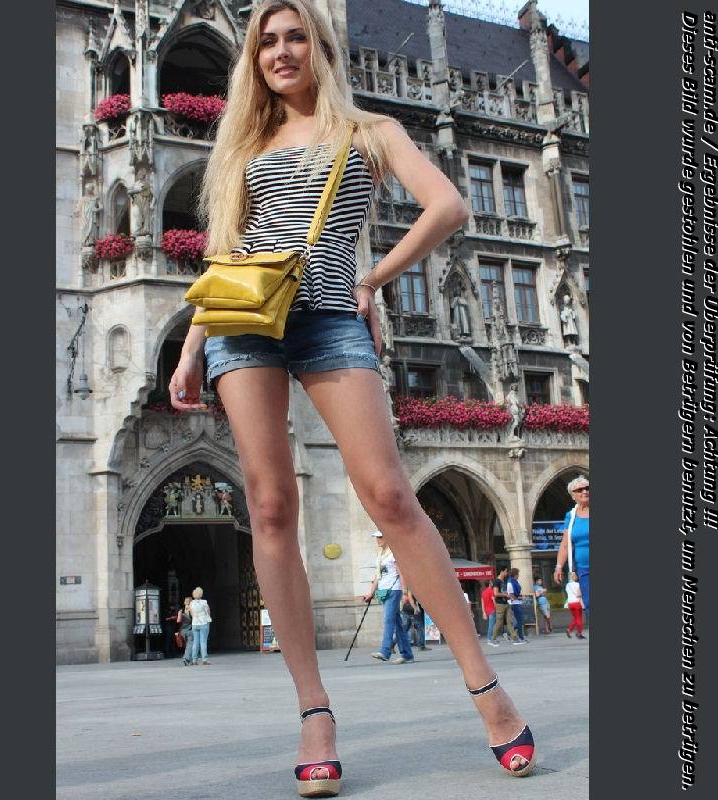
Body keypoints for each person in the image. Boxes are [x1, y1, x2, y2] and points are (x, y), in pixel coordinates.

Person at [168, 2, 535, 793]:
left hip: (331, 319)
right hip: (242, 327)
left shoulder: (370, 131)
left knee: (392, 497)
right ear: (254, 58)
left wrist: (371, 279)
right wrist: (194, 344)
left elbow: (448, 206)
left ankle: (487, 690)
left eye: (295, 36)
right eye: (267, 41)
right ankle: (314, 712)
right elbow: (227, 251)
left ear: (322, 48)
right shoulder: (242, 144)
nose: (281, 51)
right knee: (270, 506)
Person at [364, 531, 414, 665]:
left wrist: (405, 592)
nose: (378, 540)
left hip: (394, 590)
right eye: (376, 537)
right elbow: (377, 576)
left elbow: (402, 573)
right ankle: (407, 655)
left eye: (380, 537)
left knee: (388, 620)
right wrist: (370, 593)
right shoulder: (380, 554)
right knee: (397, 624)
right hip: (383, 590)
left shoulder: (394, 553)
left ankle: (385, 651)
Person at [554, 476, 590, 616]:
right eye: (580, 490)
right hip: (583, 569)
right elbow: (565, 544)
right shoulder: (571, 516)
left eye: (587, 488)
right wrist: (558, 567)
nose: (585, 491)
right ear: (573, 495)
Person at [488, 567, 520, 646]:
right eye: (505, 571)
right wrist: (506, 595)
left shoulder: (503, 581)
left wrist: (508, 597)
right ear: (501, 571)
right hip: (500, 604)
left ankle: (515, 638)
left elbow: (504, 592)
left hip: (506, 603)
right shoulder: (496, 581)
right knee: (499, 622)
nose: (506, 573)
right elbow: (496, 593)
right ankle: (493, 639)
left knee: (510, 621)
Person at [189, 586, 213, 665]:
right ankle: (204, 659)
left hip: (195, 623)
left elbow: (191, 613)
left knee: (195, 642)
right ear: (201, 594)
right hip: (203, 623)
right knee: (203, 642)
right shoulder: (204, 602)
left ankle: (194, 660)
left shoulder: (191, 603)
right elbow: (208, 612)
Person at [506, 567, 527, 643]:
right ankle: (520, 637)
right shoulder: (510, 582)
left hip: (517, 602)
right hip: (515, 603)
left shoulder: (514, 581)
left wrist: (520, 597)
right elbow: (511, 594)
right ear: (515, 574)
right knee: (520, 621)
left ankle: (510, 634)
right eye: (518, 574)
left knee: (520, 621)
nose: (518, 576)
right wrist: (519, 598)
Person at [564, 572, 586, 639]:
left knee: (576, 618)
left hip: (570, 603)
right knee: (579, 618)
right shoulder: (578, 584)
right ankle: (579, 633)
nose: (577, 577)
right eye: (576, 576)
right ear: (574, 577)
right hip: (577, 603)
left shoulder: (567, 585)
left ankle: (569, 630)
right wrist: (583, 604)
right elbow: (579, 595)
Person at [177, 597, 194, 665]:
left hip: (182, 631)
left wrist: (180, 615)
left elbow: (178, 621)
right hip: (190, 631)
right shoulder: (192, 610)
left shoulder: (181, 611)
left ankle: (190, 661)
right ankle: (186, 658)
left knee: (188, 645)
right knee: (190, 644)